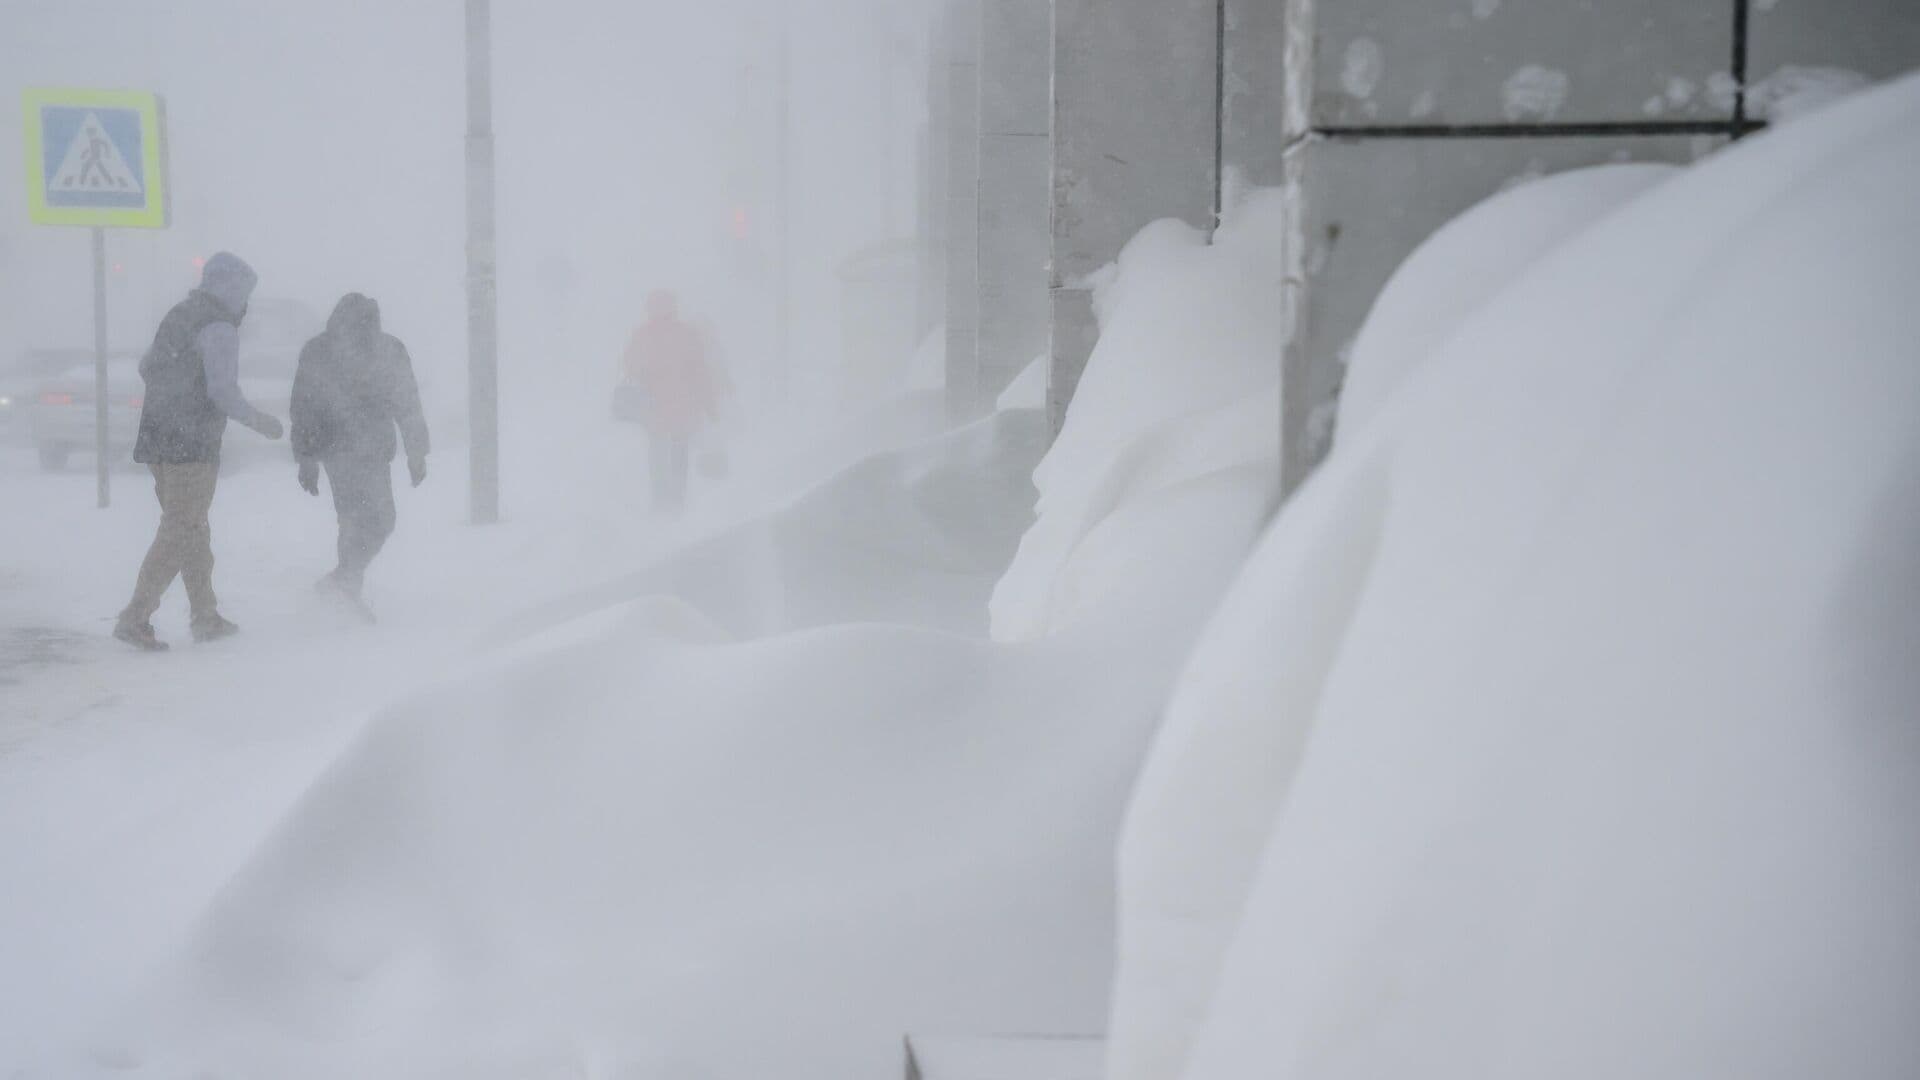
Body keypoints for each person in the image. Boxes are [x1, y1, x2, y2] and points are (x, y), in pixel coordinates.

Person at [114, 252, 285, 651]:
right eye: (245, 293)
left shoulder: (179, 315)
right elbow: (221, 390)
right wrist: (260, 421)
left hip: (157, 438)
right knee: (180, 529)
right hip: (191, 444)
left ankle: (205, 616)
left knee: (192, 528)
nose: (247, 303)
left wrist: (172, 391)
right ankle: (135, 617)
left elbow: (145, 366)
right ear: (233, 290)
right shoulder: (218, 326)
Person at [289, 293, 430, 612]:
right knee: (354, 518)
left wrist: (416, 451)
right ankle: (347, 586)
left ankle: (345, 578)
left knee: (383, 519)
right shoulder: (319, 352)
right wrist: (306, 459)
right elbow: (303, 408)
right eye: (356, 326)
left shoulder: (388, 350)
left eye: (368, 326)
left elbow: (407, 402)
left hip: (375, 450)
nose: (362, 334)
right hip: (337, 450)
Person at [619, 290, 722, 512]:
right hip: (681, 407)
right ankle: (676, 499)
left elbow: (629, 367)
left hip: (654, 409)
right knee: (678, 452)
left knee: (657, 454)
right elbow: (700, 372)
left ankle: (660, 499)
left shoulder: (642, 336)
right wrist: (709, 405)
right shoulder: (686, 334)